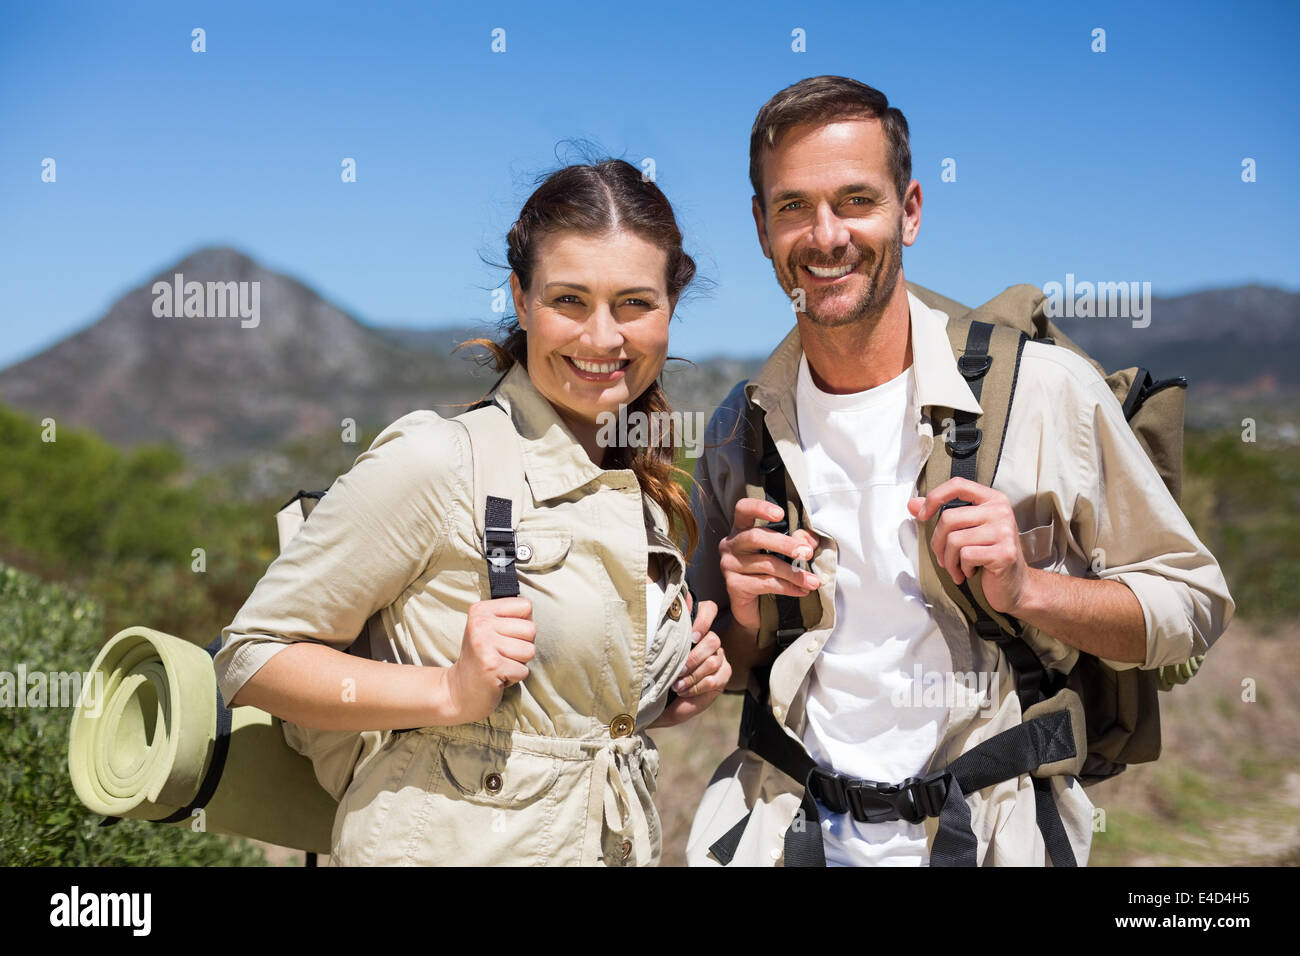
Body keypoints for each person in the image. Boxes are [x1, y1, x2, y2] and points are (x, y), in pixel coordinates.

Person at [684, 75, 1236, 866]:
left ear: (909, 210)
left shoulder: (1046, 392)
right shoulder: (741, 425)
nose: (826, 234)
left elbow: (1195, 603)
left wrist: (1030, 589)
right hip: (785, 836)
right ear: (761, 226)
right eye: (793, 206)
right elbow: (727, 672)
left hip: (992, 840)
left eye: (855, 201)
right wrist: (738, 613)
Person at [214, 157, 731, 866]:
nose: (603, 338)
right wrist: (447, 691)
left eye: (634, 304)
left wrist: (663, 698)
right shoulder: (437, 461)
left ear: (671, 305)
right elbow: (252, 657)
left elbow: (558, 716)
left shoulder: (638, 490)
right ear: (521, 300)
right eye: (570, 301)